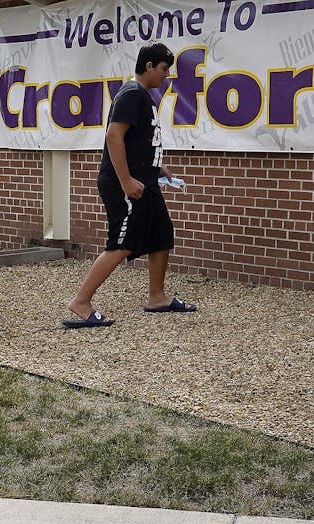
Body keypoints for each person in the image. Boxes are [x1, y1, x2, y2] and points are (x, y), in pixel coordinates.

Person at [64, 42, 193, 327]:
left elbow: (136, 140)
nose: (166, 75)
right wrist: (125, 181)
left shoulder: (143, 97)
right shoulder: (132, 94)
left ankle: (157, 297)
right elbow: (114, 136)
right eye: (163, 69)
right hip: (125, 185)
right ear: (148, 66)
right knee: (122, 243)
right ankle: (81, 302)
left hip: (146, 182)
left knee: (161, 233)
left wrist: (157, 166)